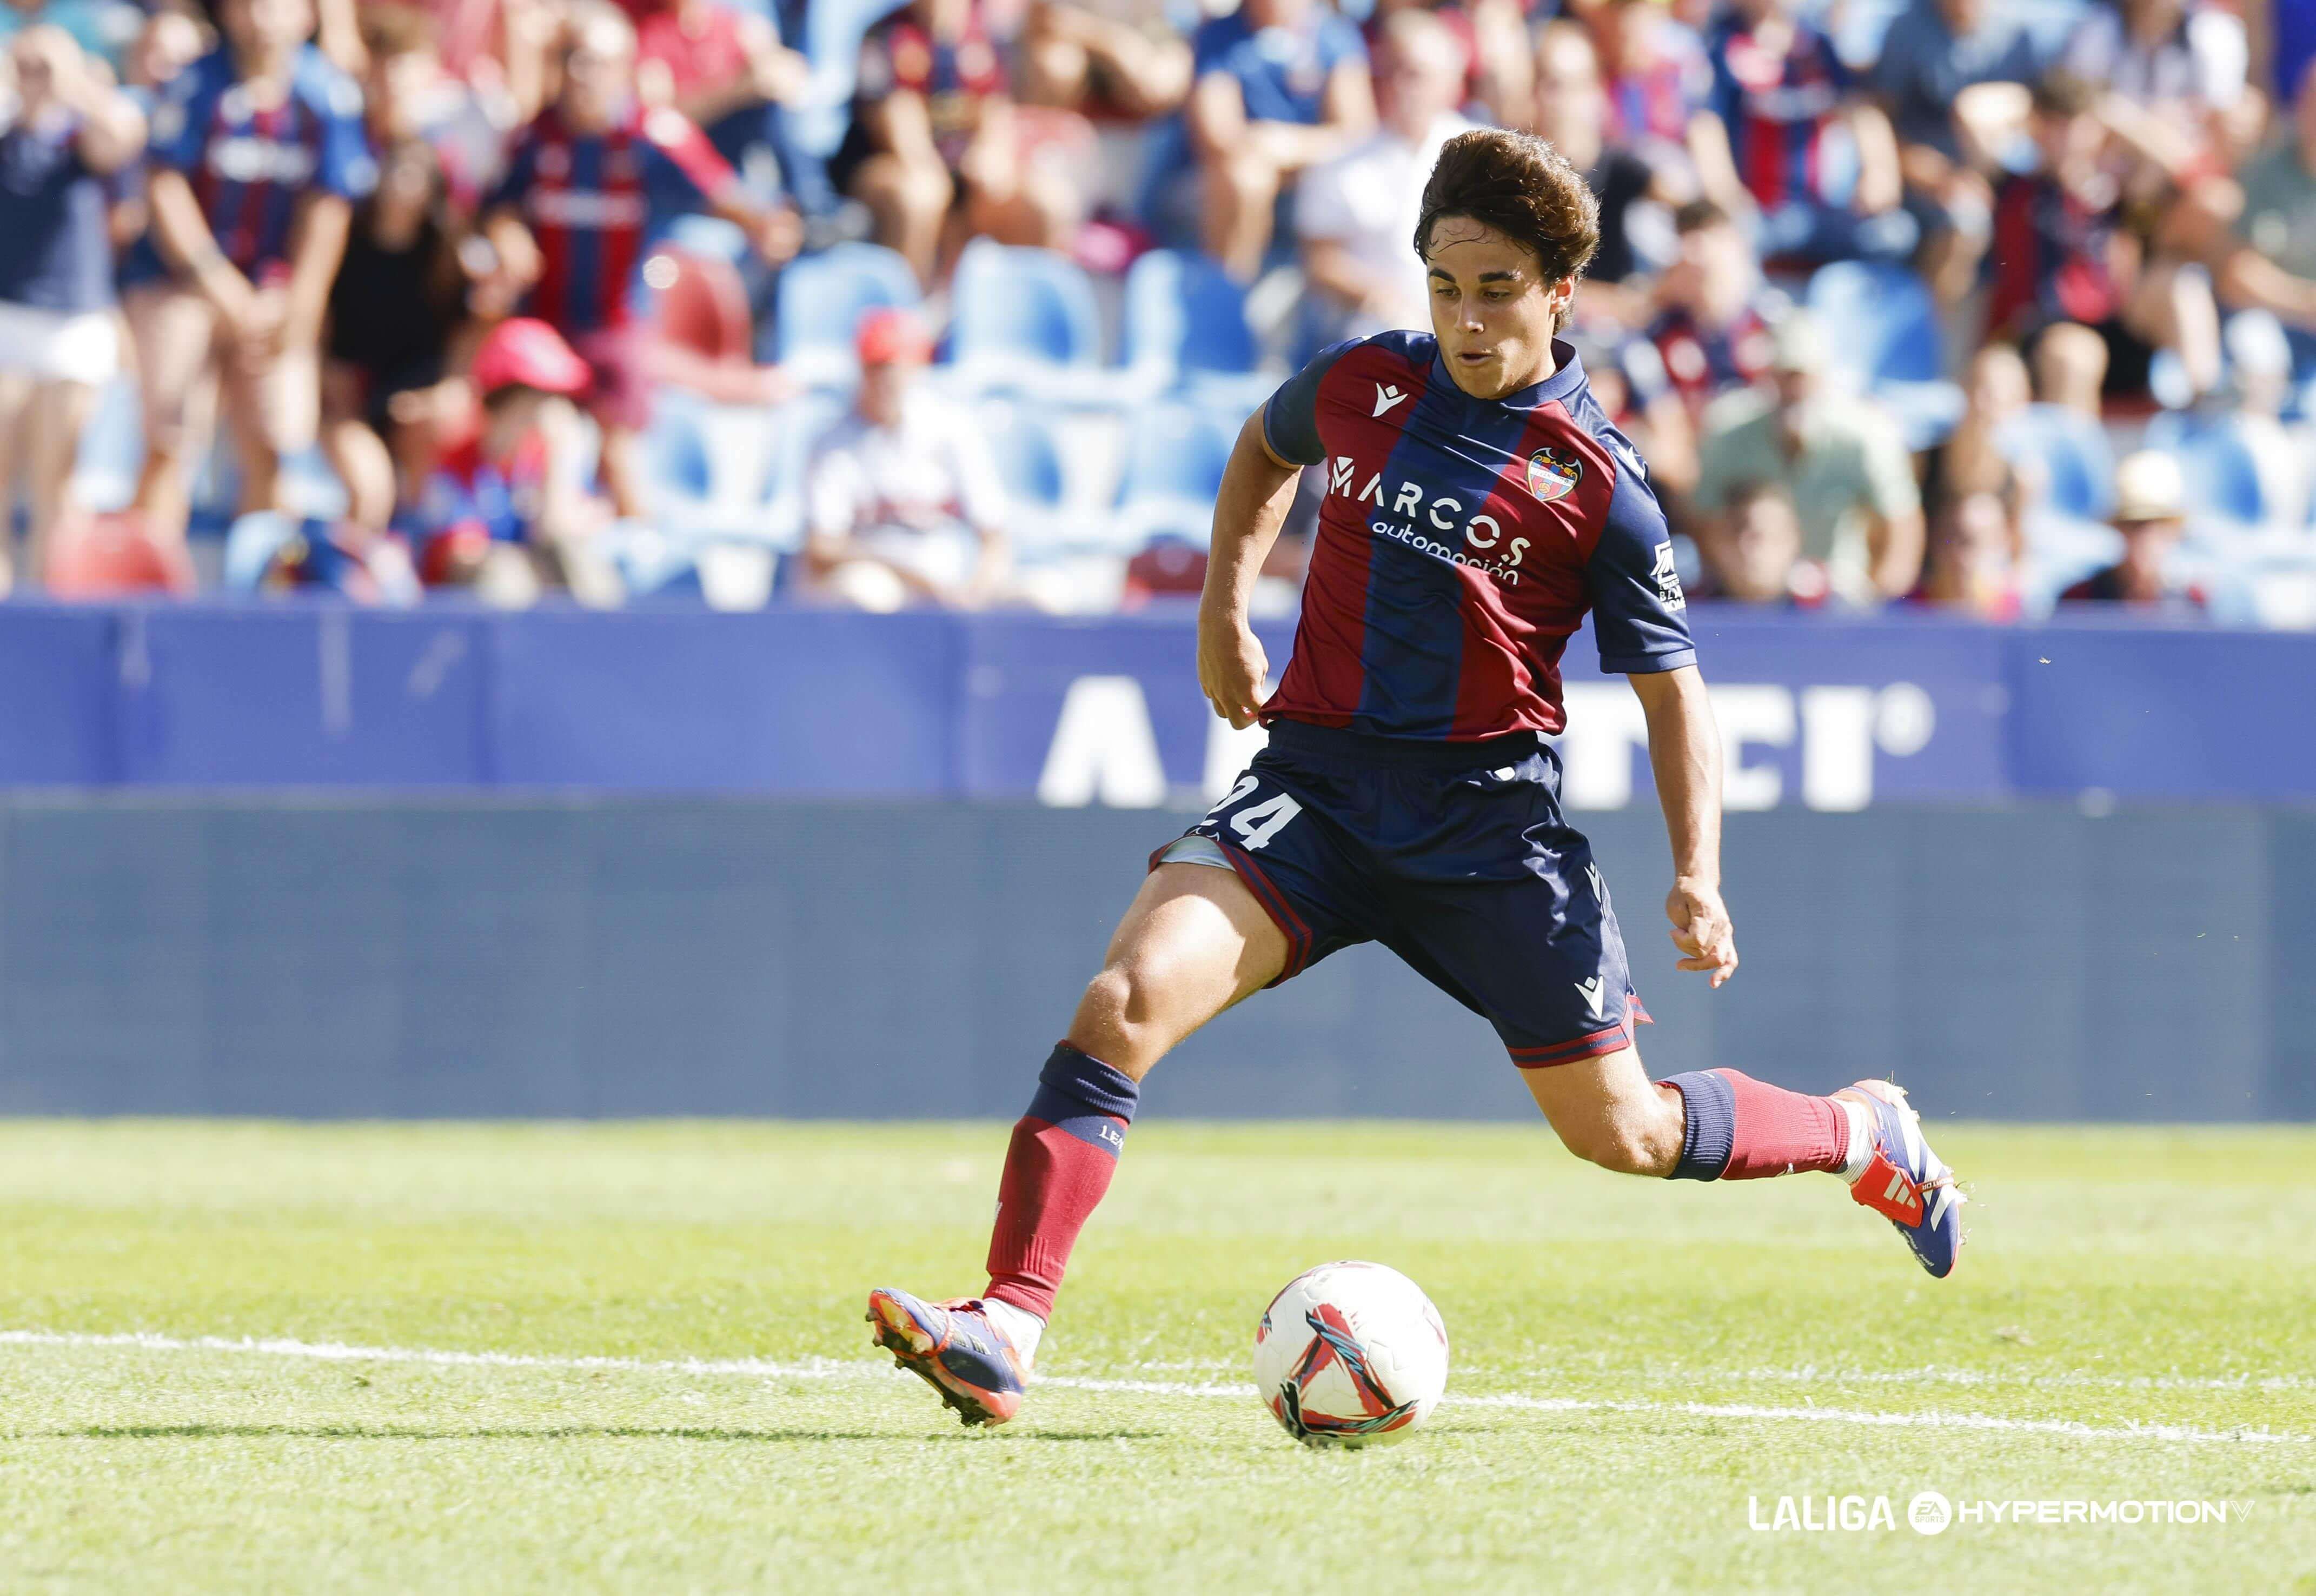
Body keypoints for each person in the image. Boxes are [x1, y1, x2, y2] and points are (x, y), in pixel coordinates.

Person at [862, 127, 1965, 1429]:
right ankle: (1004, 1322)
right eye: (1441, 284)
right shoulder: (1363, 385)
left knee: (1623, 1132)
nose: (1462, 314)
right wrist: (1221, 606)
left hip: (1484, 828)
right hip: (1318, 791)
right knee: (1120, 1000)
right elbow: (1260, 448)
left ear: (1559, 288)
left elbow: (1674, 692)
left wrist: (1694, 875)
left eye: (1493, 286)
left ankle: (1860, 1134)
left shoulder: (1598, 485)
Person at [480, 2, 797, 521]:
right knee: (541, 438)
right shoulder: (535, 140)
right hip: (543, 326)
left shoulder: (650, 139)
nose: (584, 76)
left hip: (615, 325)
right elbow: (495, 210)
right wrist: (507, 235)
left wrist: (765, 224)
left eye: (597, 63)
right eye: (573, 60)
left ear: (625, 70)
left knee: (621, 455)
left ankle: (627, 558)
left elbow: (723, 193)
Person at [128, 0, 375, 547]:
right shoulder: (195, 82)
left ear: (307, 15)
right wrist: (217, 284)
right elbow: (164, 184)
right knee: (172, 437)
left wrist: (301, 303)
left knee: (275, 442)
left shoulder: (325, 93)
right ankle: (149, 585)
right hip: (183, 283)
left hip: (275, 292)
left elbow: (330, 204)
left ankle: (261, 591)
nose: (262, 16)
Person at [0, 24, 145, 589]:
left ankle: (50, 595)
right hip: (9, 316)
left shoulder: (83, 139)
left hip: (74, 321)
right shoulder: (8, 135)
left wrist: (71, 78)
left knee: (58, 478)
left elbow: (121, 134)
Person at [1985, 71, 2221, 402]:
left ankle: (2206, 401)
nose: (2067, 137)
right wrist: (2030, 106)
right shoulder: (2015, 189)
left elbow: (2193, 176)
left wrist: (2113, 111)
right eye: (2055, 125)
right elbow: (1972, 115)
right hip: (2043, 333)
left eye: (2077, 124)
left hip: (2116, 328)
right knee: (2074, 353)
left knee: (2183, 286)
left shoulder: (2116, 193)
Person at [838, 0, 1090, 287]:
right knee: (919, 194)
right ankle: (903, 319)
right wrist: (939, 178)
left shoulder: (986, 32)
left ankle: (1021, 317)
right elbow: (892, 124)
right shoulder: (883, 34)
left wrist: (990, 161)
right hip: (898, 169)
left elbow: (996, 109)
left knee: (1046, 203)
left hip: (964, 175)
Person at [1693, 312, 1925, 604]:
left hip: (1841, 599)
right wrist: (1737, 581)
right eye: (1784, 375)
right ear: (1768, 376)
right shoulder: (1728, 430)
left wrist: (1876, 607)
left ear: (1823, 378)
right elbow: (1703, 519)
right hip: (1751, 598)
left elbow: (1903, 527)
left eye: (1803, 376)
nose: (1795, 389)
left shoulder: (1867, 435)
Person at [397, 314, 620, 606]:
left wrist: (561, 459)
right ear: (504, 399)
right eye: (539, 397)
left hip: (536, 603)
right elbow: (462, 560)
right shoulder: (458, 463)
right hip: (462, 621)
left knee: (580, 562)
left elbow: (564, 530)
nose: (552, 412)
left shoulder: (548, 460)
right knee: (503, 576)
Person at [801, 308, 1008, 610]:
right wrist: (912, 577)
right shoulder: (833, 443)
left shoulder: (951, 427)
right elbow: (822, 549)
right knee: (865, 590)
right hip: (885, 586)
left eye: (893, 367)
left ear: (915, 368)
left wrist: (978, 592)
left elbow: (994, 535)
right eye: (874, 367)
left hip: (954, 584)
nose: (884, 379)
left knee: (1047, 594)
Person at [1295, 8, 1470, 340]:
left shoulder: (1486, 156)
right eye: (1392, 72)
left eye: (1417, 74)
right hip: (1377, 326)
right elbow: (1320, 260)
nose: (1403, 87)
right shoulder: (1339, 160)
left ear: (1451, 80)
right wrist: (1380, 298)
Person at [1696, 0, 1912, 265]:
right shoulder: (1722, 44)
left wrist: (1879, 173)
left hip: (1820, 211)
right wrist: (1725, 193)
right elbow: (1706, 126)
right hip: (1757, 214)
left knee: (1893, 235)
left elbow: (1860, 111)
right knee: (1724, 249)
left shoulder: (1817, 45)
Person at [1187, 0, 1373, 280]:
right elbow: (1216, 133)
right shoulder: (1219, 37)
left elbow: (1356, 131)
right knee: (1246, 178)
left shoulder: (1334, 36)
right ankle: (1229, 293)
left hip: (1315, 177)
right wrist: (1266, 152)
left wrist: (1288, 146)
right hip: (1246, 176)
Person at [1870, 0, 2036, 305]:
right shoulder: (1907, 29)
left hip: (1997, 178)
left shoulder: (2014, 35)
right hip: (1921, 179)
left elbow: (2029, 118)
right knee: (1967, 222)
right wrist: (1934, 174)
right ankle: (1932, 340)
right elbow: (1880, 119)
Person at [1529, 18, 1665, 329]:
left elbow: (1697, 214)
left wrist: (1659, 291)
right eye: (1547, 83)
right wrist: (1612, 303)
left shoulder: (1624, 167)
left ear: (1596, 92)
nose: (1557, 101)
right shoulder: (1515, 175)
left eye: (1571, 86)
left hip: (1617, 335)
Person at [2059, 448, 2201, 607]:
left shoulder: (2193, 603)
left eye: (2157, 526)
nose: (2146, 539)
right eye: (2135, 526)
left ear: (2175, 531)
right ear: (2119, 529)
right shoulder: (2079, 600)